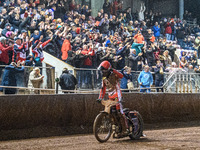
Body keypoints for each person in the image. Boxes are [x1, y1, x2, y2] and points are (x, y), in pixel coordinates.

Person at [97, 60, 129, 136]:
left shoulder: (114, 74)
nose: (102, 72)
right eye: (102, 70)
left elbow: (121, 76)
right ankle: (116, 127)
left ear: (108, 69)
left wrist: (114, 70)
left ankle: (125, 129)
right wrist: (100, 98)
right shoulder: (104, 78)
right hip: (110, 96)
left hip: (117, 95)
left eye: (103, 70)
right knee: (111, 112)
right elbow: (103, 89)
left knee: (119, 112)